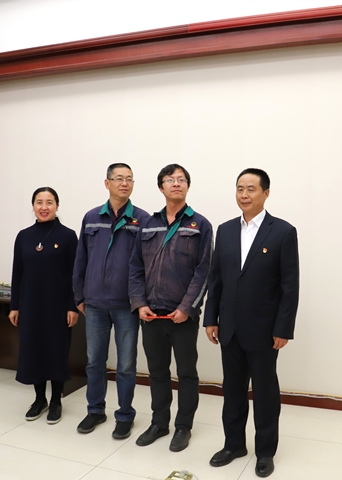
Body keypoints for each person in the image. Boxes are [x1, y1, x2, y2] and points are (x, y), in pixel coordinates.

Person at [203, 168, 299, 478]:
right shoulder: (226, 230)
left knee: (265, 392)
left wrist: (283, 328)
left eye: (251, 189)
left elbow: (289, 286)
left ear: (266, 193)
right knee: (232, 390)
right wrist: (211, 318)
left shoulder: (283, 231)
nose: (244, 195)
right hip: (229, 327)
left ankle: (265, 451)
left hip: (264, 329)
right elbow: (216, 279)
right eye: (240, 188)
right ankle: (233, 445)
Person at [128, 164, 212, 452]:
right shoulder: (148, 224)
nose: (176, 183)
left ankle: (183, 427)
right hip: (151, 315)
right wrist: (139, 303)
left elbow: (204, 271)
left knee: (186, 373)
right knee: (157, 372)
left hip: (182, 317)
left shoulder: (200, 224)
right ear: (160, 187)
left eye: (181, 179)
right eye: (170, 179)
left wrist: (187, 307)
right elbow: (135, 267)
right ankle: (159, 423)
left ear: (187, 186)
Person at [72, 163, 149, 439]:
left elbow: (147, 264)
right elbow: (81, 258)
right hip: (94, 304)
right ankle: (95, 410)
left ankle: (125, 415)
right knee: (94, 361)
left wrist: (141, 300)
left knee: (126, 364)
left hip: (127, 305)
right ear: (107, 183)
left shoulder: (142, 220)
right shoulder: (92, 217)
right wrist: (78, 296)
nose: (124, 183)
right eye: (119, 178)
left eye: (129, 179)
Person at [9, 187, 79, 425]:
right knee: (34, 351)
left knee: (56, 351)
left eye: (49, 202)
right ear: (33, 206)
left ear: (57, 206)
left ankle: (56, 401)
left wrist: (72, 306)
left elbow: (74, 275)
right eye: (39, 202)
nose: (44, 207)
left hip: (57, 306)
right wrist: (15, 306)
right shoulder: (23, 236)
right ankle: (40, 399)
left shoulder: (68, 236)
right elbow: (17, 273)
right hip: (30, 305)